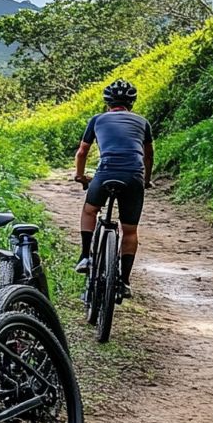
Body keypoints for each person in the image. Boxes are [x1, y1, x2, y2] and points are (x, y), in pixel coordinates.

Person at [73, 79, 154, 299]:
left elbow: (82, 153)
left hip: (106, 173)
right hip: (134, 176)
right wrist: (146, 180)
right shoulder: (143, 122)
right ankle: (124, 282)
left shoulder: (97, 120)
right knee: (129, 230)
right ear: (132, 103)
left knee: (90, 210)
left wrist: (80, 176)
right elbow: (148, 155)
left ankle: (85, 257)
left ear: (107, 102)